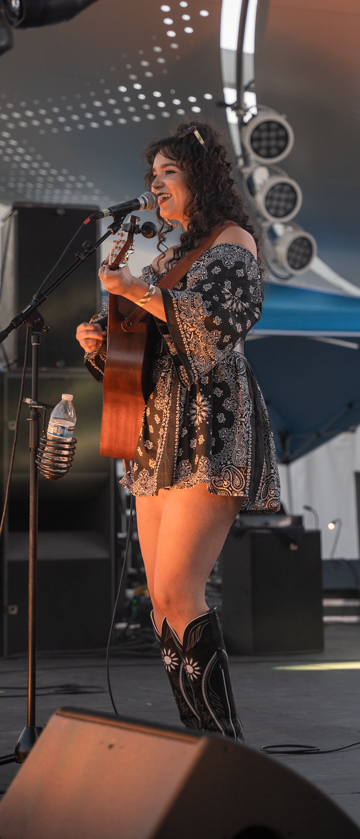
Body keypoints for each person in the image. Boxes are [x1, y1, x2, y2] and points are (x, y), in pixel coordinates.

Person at [76, 122, 280, 740]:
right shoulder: (168, 258)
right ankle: (197, 735)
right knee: (161, 601)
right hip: (158, 433)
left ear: (202, 176)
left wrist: (138, 290)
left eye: (169, 172)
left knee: (178, 589)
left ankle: (223, 743)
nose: (156, 184)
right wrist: (101, 346)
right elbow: (144, 357)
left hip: (211, 427)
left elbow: (216, 326)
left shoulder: (232, 240)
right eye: (153, 174)